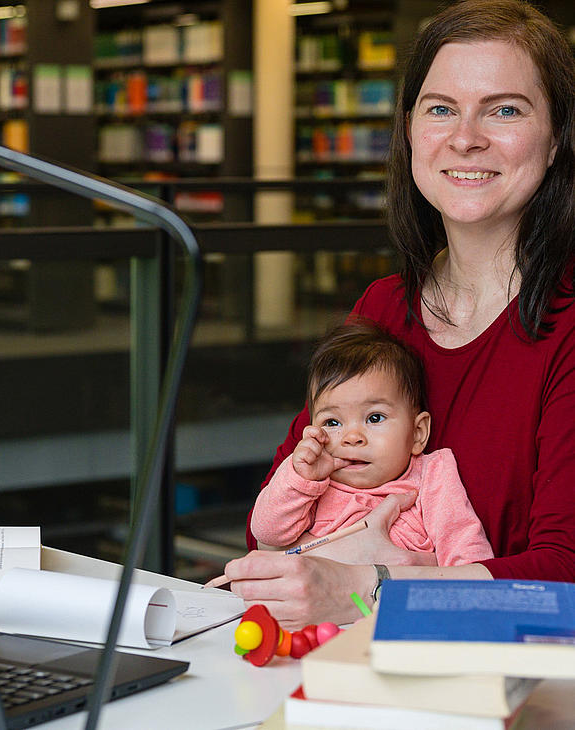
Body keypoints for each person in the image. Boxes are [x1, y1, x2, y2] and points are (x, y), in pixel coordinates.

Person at [221, 0, 575, 628]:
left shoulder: (568, 326)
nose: (466, 137)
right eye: (441, 108)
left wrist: (370, 586)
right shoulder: (384, 307)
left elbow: (566, 577)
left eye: (505, 109)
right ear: (411, 131)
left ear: (557, 140)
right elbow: (281, 518)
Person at [250, 321, 493, 566]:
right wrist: (301, 478)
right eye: (332, 422)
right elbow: (267, 532)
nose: (352, 437)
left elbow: (466, 552)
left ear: (418, 433)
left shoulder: (433, 476)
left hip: (395, 601)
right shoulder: (314, 482)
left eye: (374, 418)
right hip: (313, 600)